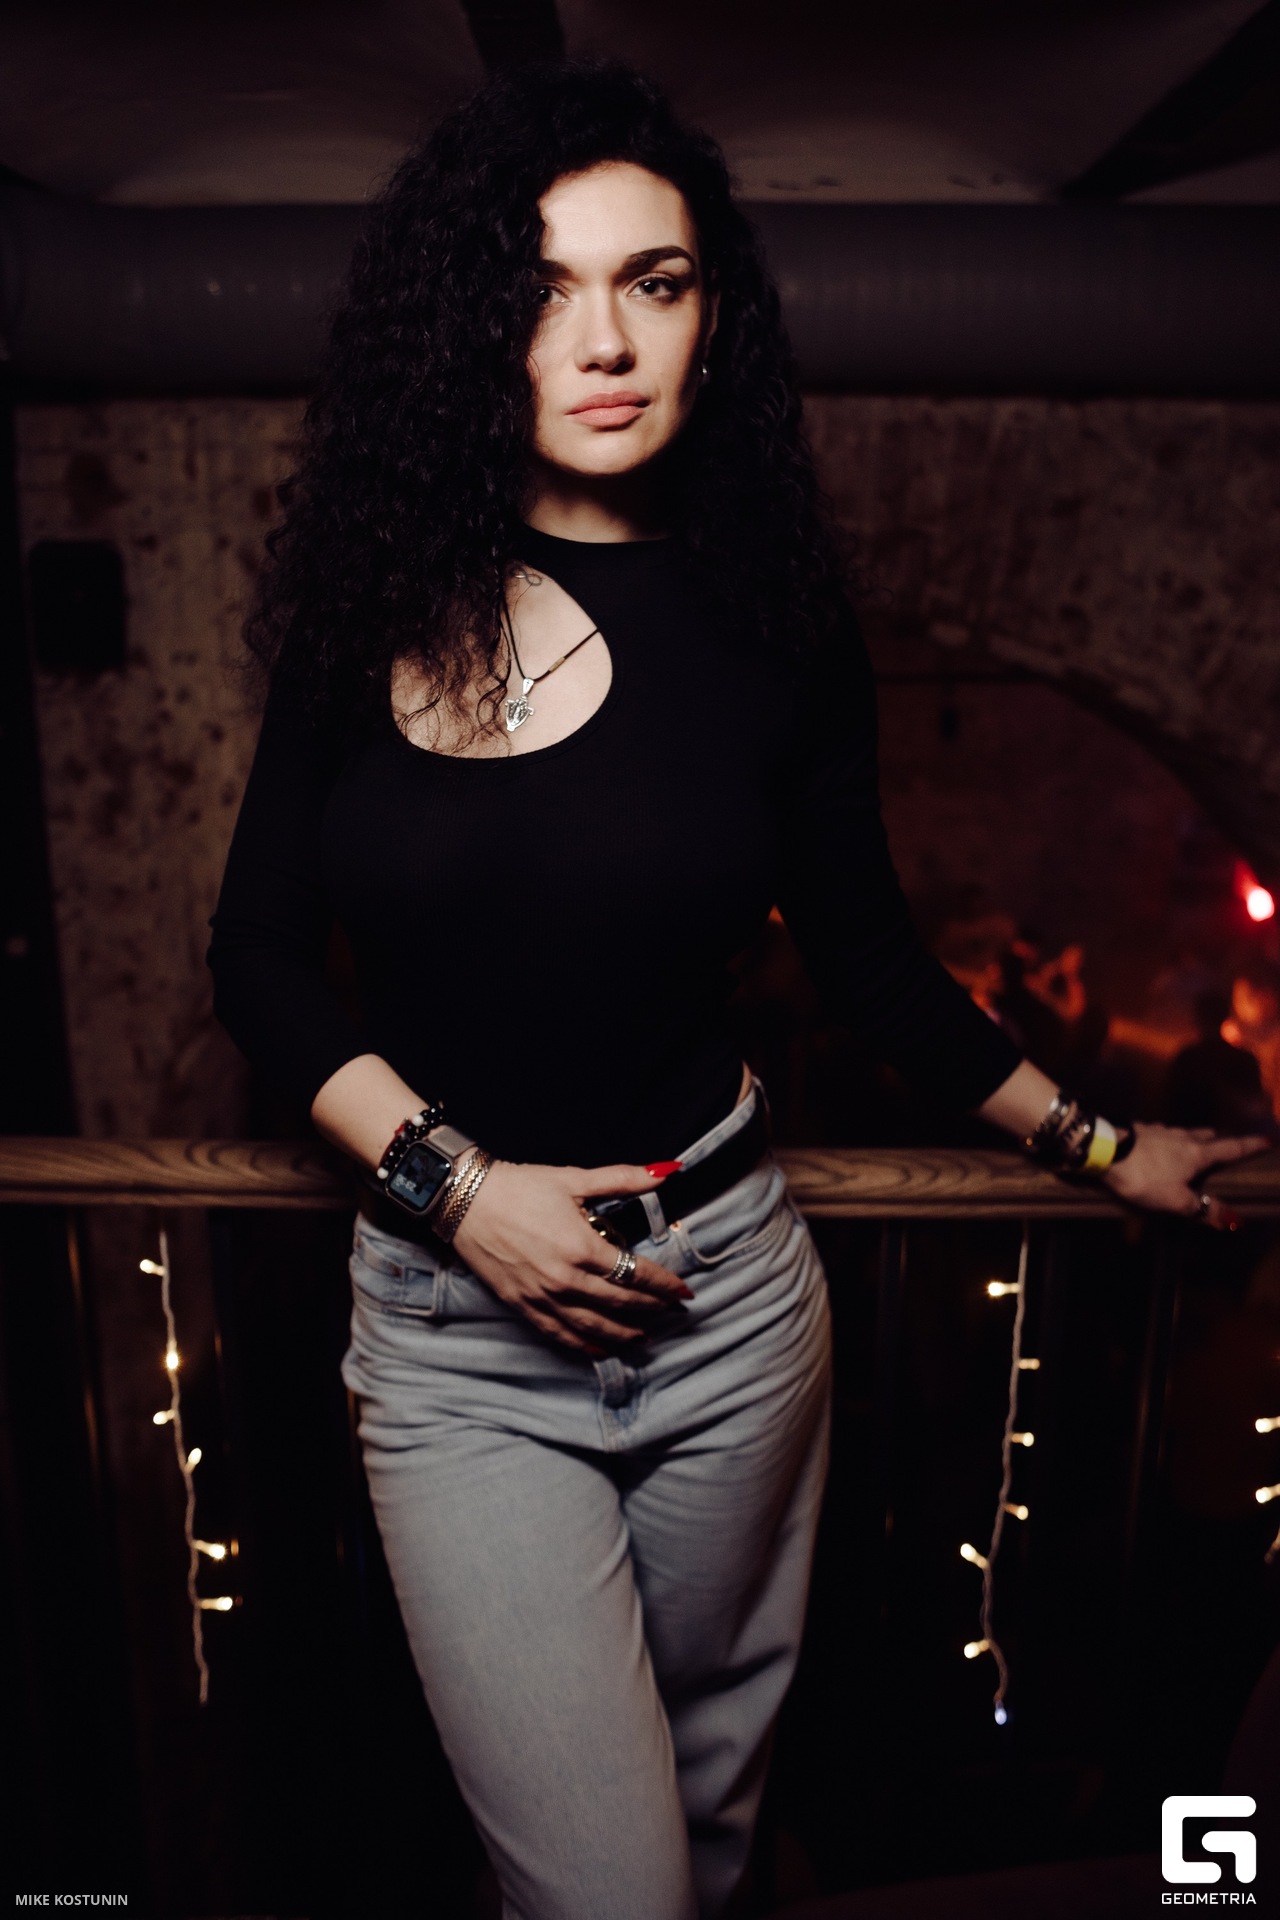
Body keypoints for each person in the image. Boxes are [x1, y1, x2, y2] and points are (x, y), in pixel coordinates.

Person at [206, 60, 1267, 1920]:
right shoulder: (368, 608)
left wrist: (1105, 1146)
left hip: (730, 1311)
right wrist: (459, 1193)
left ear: (716, 319)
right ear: (465, 329)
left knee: (701, 1845)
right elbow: (258, 959)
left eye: (657, 280)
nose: (606, 340)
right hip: (461, 1348)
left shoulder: (777, 628)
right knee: (609, 1886)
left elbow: (873, 961)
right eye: (542, 288)